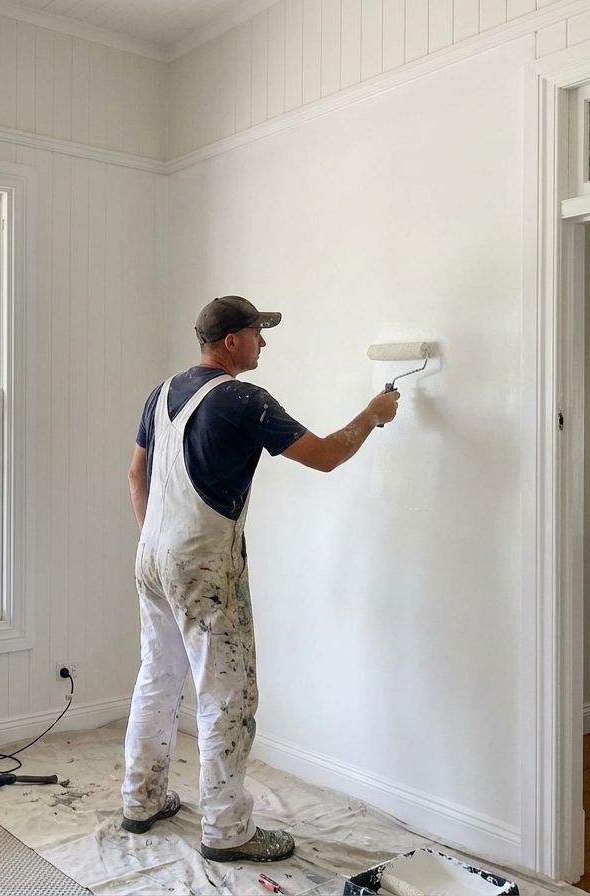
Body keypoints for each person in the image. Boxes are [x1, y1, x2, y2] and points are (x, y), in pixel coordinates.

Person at [120, 295, 400, 863]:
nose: (264, 343)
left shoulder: (161, 393)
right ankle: (227, 831)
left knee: (159, 675)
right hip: (201, 563)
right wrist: (372, 415)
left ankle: (141, 799)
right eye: (257, 333)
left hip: (151, 555)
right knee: (228, 695)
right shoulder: (244, 399)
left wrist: (155, 538)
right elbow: (324, 456)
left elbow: (135, 474)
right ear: (231, 342)